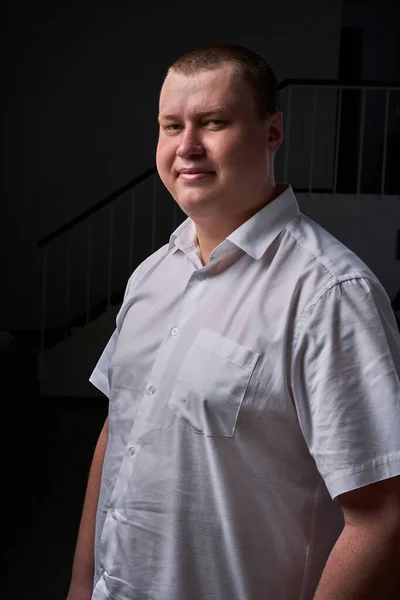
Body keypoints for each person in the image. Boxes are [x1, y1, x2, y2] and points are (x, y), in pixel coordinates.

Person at [66, 44, 400, 600]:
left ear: (272, 132)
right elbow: (116, 430)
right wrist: (81, 587)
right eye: (171, 126)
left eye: (213, 122)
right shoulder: (151, 275)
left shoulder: (329, 294)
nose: (186, 147)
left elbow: (384, 516)